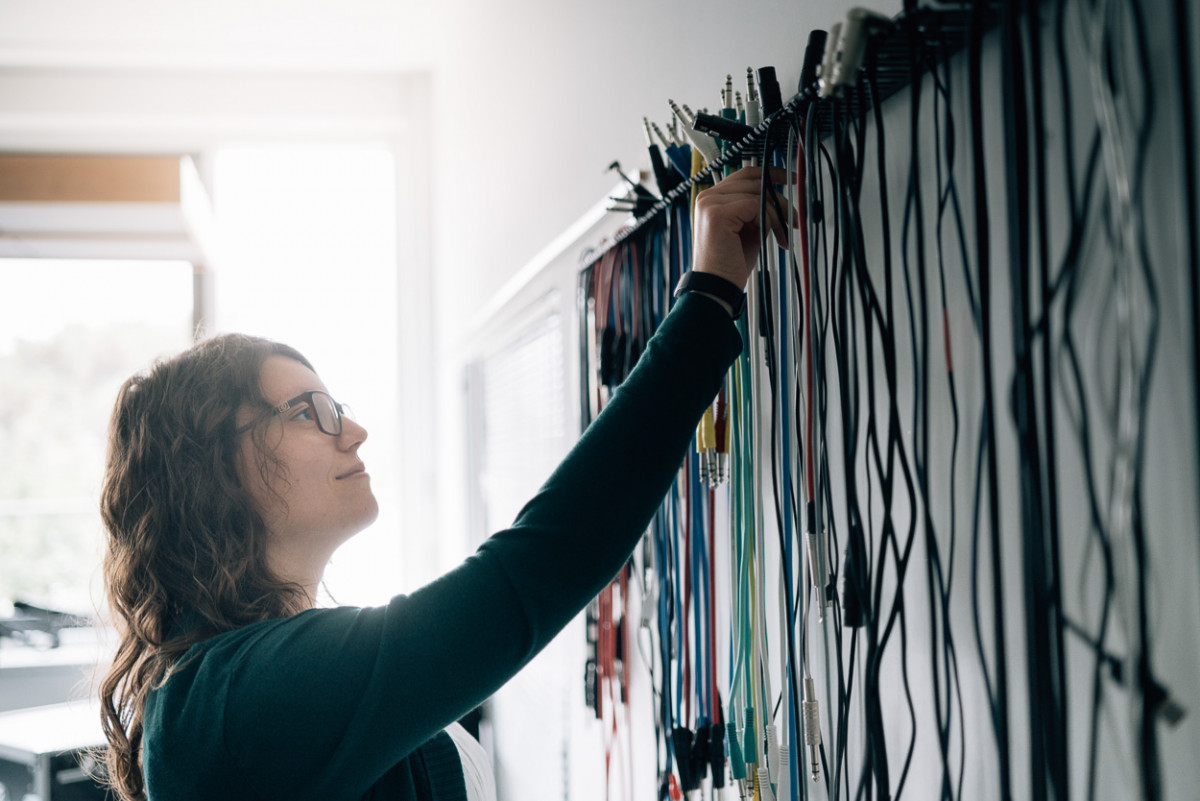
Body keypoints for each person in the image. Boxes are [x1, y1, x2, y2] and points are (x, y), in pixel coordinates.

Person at [97, 166, 784, 801]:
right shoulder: (230, 699)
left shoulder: (254, 677)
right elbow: (530, 570)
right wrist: (710, 295)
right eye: (311, 411)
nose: (354, 431)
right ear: (209, 466)